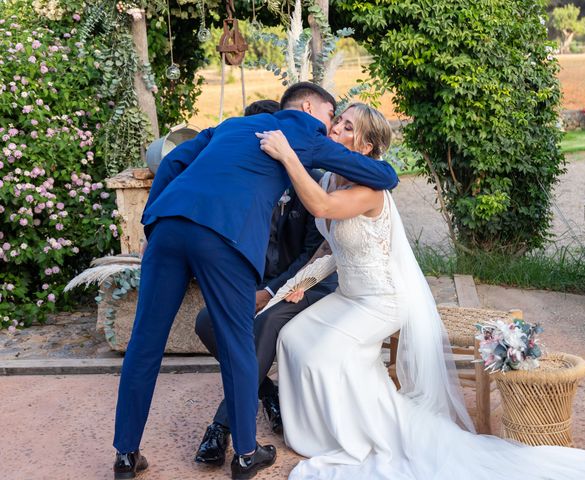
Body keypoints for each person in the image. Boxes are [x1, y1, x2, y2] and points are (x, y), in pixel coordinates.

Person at [256, 103, 585, 480]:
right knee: (292, 337)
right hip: (349, 295)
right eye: (337, 121)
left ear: (366, 146)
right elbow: (333, 248)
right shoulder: (328, 179)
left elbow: (322, 209)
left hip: (382, 299)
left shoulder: (371, 189)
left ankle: (357, 437)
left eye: (348, 127)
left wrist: (289, 155)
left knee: (324, 354)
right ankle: (313, 433)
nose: (336, 128)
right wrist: (301, 282)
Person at [111, 84, 399, 480]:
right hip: (221, 237)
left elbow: (175, 160)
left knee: (144, 343)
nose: (330, 128)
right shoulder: (302, 133)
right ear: (311, 107)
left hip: (167, 226)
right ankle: (246, 454)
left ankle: (125, 455)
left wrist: (152, 221)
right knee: (238, 343)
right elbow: (385, 175)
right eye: (332, 116)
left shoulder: (232, 125)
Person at [193, 99, 338, 467]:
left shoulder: (309, 178)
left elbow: (311, 254)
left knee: (268, 322)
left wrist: (270, 291)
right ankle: (266, 392)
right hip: (255, 285)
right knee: (207, 321)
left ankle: (221, 428)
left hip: (307, 283)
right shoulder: (240, 181)